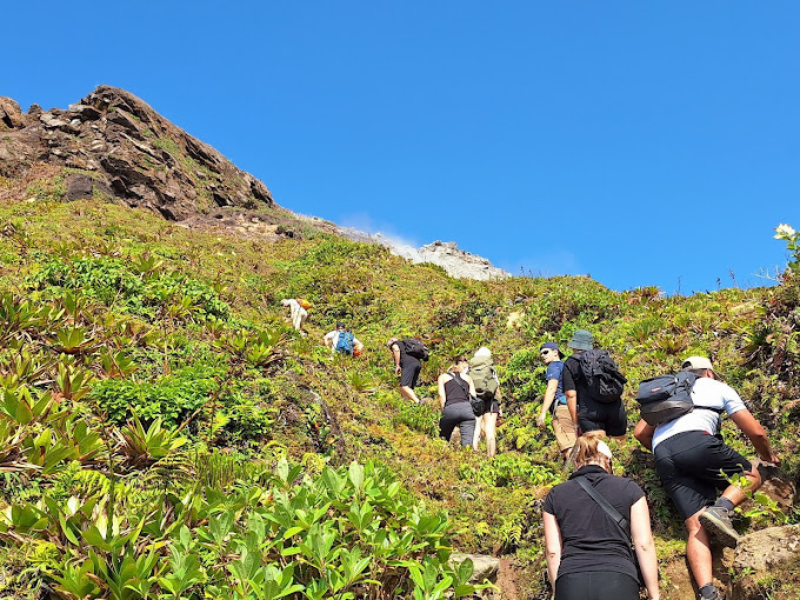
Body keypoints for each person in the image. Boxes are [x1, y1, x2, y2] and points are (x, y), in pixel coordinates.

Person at [633, 356, 780, 600]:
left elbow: (640, 433)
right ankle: (721, 509)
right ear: (709, 373)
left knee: (694, 525)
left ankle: (707, 592)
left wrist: (669, 451)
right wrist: (768, 456)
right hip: (696, 441)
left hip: (662, 453)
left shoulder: (670, 389)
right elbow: (756, 431)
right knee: (750, 475)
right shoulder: (716, 386)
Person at [543, 433, 660, 600]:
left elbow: (553, 552)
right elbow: (644, 545)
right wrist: (654, 594)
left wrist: (558, 590)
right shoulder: (630, 490)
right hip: (618, 579)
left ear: (576, 464)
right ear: (608, 462)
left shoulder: (556, 494)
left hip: (571, 581)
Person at [562, 329, 627, 440]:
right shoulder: (603, 358)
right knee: (620, 452)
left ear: (574, 346)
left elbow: (570, 395)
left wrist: (576, 423)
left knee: (598, 453)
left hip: (590, 412)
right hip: (616, 409)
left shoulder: (570, 363)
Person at [537, 342, 576, 460]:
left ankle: (577, 474)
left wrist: (543, 413)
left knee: (569, 447)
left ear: (555, 352)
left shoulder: (553, 366)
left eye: (545, 352)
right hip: (576, 407)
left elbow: (551, 389)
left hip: (563, 408)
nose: (543, 356)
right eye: (541, 354)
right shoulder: (567, 366)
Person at [438, 357, 478, 449]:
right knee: (467, 443)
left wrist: (444, 410)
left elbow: (441, 395)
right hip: (467, 409)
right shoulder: (468, 378)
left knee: (443, 438)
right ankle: (468, 459)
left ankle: (444, 456)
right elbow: (473, 396)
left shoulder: (443, 377)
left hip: (450, 408)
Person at [469, 347, 502, 457]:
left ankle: (473, 453)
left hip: (475, 400)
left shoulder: (470, 367)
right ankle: (491, 456)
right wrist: (500, 406)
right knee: (490, 429)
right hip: (491, 400)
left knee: (476, 427)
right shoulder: (490, 368)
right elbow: (496, 387)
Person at [387, 337, 422, 404]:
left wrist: (397, 365)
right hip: (417, 363)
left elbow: (396, 349)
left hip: (409, 364)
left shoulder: (395, 344)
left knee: (404, 386)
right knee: (408, 388)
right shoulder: (406, 346)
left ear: (391, 340)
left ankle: (419, 403)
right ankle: (407, 404)